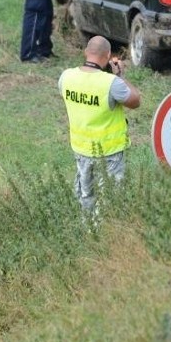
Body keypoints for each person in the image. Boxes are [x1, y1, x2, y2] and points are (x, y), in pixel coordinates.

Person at [59, 36, 141, 217]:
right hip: (109, 153)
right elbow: (135, 101)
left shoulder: (66, 77)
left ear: (86, 52)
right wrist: (120, 76)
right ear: (108, 55)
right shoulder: (111, 83)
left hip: (81, 151)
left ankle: (88, 234)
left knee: (86, 199)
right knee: (110, 203)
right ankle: (106, 238)